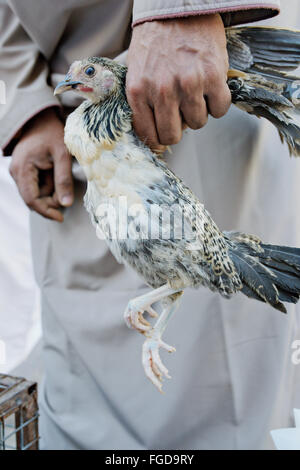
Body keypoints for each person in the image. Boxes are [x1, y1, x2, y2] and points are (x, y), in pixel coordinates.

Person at [0, 0, 299, 450]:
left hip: (187, 78)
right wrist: (30, 103)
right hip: (73, 121)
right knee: (88, 384)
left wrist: (181, 10)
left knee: (223, 378)